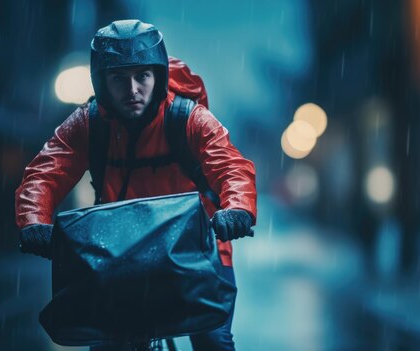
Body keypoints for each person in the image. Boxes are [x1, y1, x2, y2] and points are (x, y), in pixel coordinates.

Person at [14, 19, 257, 351]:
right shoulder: (91, 123)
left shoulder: (188, 118)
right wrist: (33, 221)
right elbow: (44, 172)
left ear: (157, 76)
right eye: (118, 79)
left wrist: (237, 210)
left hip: (194, 252)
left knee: (212, 339)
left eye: (142, 76)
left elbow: (232, 166)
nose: (132, 91)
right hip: (121, 253)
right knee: (105, 343)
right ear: (102, 82)